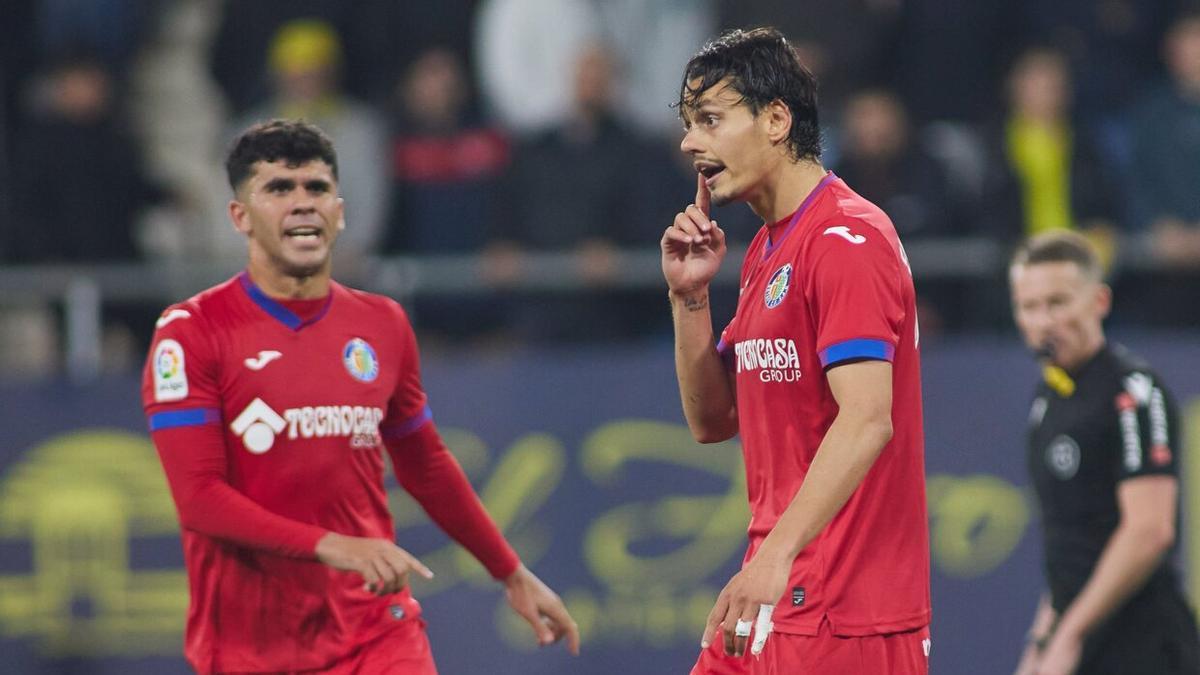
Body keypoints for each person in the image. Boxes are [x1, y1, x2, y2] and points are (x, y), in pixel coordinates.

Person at [141, 119, 579, 674]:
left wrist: (510, 571)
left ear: (340, 212)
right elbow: (199, 499)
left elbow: (426, 466)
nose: (302, 204)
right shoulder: (191, 332)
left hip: (376, 631)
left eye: (317, 188)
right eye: (279, 189)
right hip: (251, 646)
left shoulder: (382, 324)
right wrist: (335, 545)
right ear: (240, 217)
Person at [662, 27, 931, 674]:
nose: (689, 141)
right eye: (689, 123)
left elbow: (867, 418)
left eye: (710, 119)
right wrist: (690, 299)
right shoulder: (767, 248)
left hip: (847, 615)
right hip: (774, 594)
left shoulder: (846, 238)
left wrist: (776, 555)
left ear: (776, 119)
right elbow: (713, 421)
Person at [1009, 231, 1199, 675]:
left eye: (1058, 302)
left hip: (1146, 647)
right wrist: (1040, 645)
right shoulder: (1047, 401)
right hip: (1083, 645)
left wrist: (1070, 636)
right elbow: (1069, 552)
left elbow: (1150, 531)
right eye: (1029, 306)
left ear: (1099, 302)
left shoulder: (1133, 390)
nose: (1044, 321)